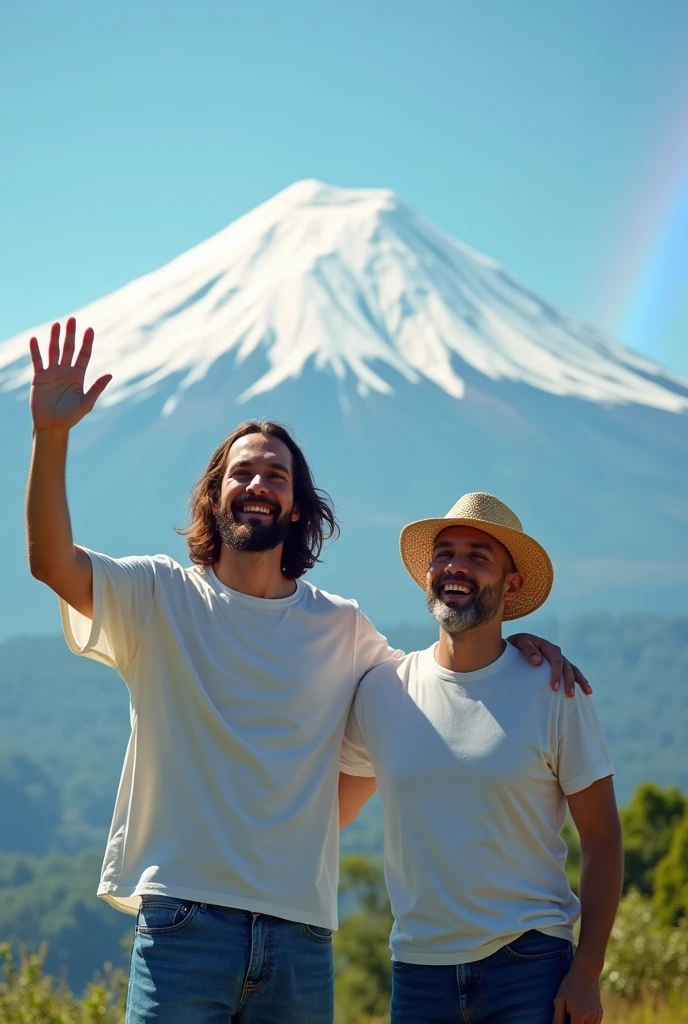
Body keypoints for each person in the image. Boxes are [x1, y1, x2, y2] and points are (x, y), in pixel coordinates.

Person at [26, 319, 590, 1024]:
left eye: (276, 475)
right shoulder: (157, 596)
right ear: (214, 495)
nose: (258, 483)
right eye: (243, 471)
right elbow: (52, 564)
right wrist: (51, 440)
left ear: (297, 508)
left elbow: (433, 688)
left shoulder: (342, 627)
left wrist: (515, 640)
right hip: (183, 926)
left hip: (300, 937)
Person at [340, 492, 623, 1024]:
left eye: (478, 556)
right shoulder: (382, 691)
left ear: (511, 585)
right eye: (444, 552)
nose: (455, 566)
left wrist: (588, 968)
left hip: (531, 966)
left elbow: (603, 836)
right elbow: (332, 809)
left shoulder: (553, 689)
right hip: (418, 973)